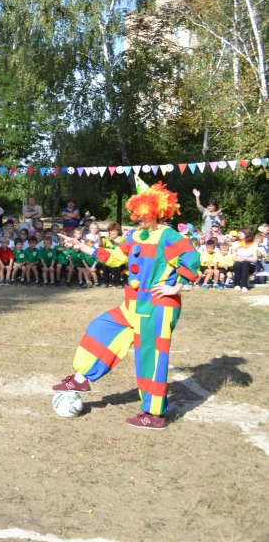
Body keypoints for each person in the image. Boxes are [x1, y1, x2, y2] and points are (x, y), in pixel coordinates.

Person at [53, 181, 200, 429]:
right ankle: (81, 378)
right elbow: (114, 257)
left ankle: (154, 415)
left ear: (155, 211)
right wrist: (82, 246)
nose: (137, 217)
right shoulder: (136, 236)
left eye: (142, 212)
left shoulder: (168, 235)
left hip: (157, 307)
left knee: (150, 359)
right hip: (133, 304)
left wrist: (176, 287)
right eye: (137, 212)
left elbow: (192, 257)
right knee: (101, 326)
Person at [231, 228, 259, 292]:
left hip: (250, 265)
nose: (239, 235)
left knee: (245, 263)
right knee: (237, 263)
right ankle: (237, 285)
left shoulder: (254, 244)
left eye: (240, 233)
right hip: (239, 264)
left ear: (246, 234)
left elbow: (255, 260)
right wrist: (238, 259)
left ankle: (244, 286)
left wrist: (247, 259)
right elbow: (234, 258)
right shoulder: (236, 243)